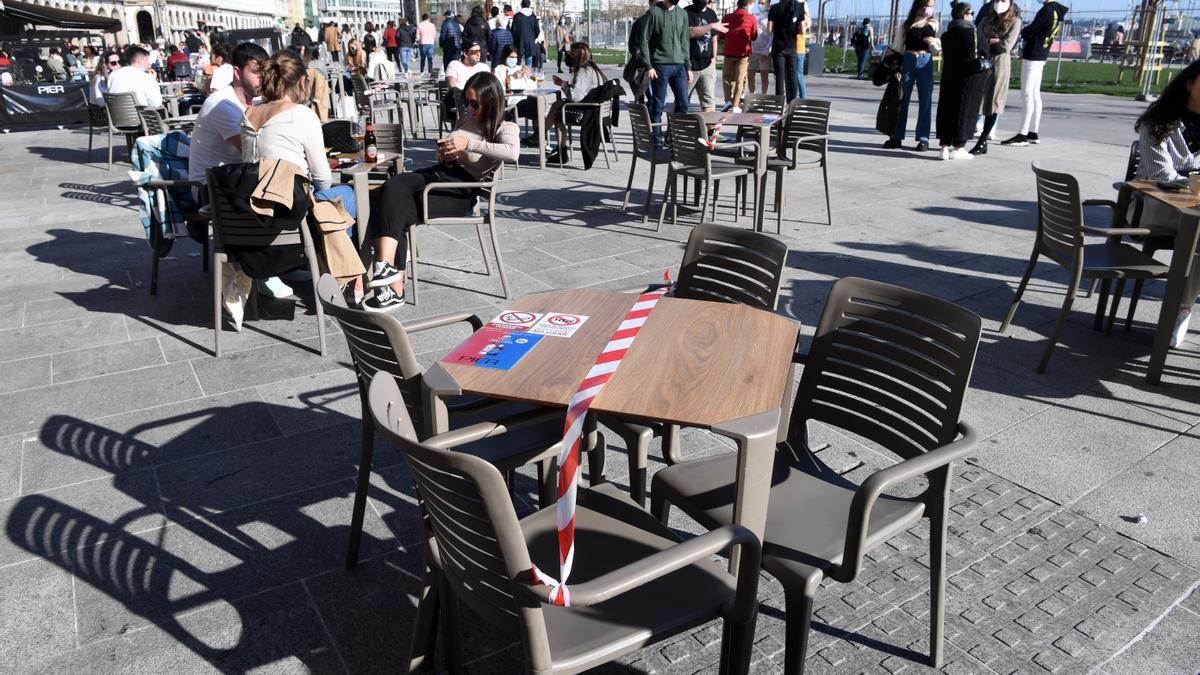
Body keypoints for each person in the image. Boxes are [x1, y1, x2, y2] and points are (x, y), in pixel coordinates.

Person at [365, 71, 518, 311]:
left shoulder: (504, 126)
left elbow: (512, 152)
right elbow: (458, 153)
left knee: (396, 205)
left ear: (491, 101)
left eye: (475, 103)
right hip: (441, 173)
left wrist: (468, 144)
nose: (469, 108)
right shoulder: (466, 120)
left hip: (461, 191)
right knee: (392, 188)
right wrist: (446, 154)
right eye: (466, 102)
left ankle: (392, 284)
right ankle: (388, 273)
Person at [240, 49, 359, 300]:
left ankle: (329, 270)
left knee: (325, 198)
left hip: (253, 209)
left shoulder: (249, 114)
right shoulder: (301, 115)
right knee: (346, 195)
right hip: (289, 210)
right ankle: (345, 276)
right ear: (303, 81)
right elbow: (322, 176)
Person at [1134, 60, 1200, 346]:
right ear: (1189, 83)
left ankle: (1182, 305)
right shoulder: (1157, 123)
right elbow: (1162, 174)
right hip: (1158, 208)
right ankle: (1182, 308)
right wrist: (1194, 180)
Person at [189, 42, 269, 189]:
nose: (263, 78)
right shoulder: (222, 105)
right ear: (237, 73)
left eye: (265, 72)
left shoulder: (254, 102)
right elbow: (254, 152)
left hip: (235, 179)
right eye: (257, 72)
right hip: (210, 190)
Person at [1001, 0, 1067, 146]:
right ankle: (1033, 132)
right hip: (1042, 54)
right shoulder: (1055, 11)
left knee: (1027, 94)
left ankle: (1022, 134)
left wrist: (1024, 32)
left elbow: (1032, 30)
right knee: (1035, 94)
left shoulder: (1047, 11)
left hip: (1034, 54)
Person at [884, 0, 938, 151]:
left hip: (925, 60)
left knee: (925, 100)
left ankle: (923, 138)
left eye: (931, 6)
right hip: (908, 59)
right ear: (919, 6)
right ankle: (897, 136)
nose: (929, 9)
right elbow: (898, 47)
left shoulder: (934, 24)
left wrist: (934, 42)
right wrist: (895, 67)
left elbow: (940, 45)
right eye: (927, 5)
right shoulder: (906, 25)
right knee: (902, 99)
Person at [969, 0, 1020, 154]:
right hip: (984, 60)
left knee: (994, 101)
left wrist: (992, 40)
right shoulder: (986, 19)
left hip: (999, 62)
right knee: (978, 98)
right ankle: (971, 132)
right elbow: (978, 37)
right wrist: (993, 40)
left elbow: (1006, 45)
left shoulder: (1015, 22)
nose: (999, 3)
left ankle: (983, 140)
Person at [936, 2, 986, 160]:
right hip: (969, 78)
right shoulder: (975, 34)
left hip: (950, 76)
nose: (972, 16)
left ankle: (944, 146)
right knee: (966, 110)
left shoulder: (946, 35)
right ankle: (958, 147)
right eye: (971, 13)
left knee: (947, 109)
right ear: (965, 14)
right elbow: (985, 52)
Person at [543, 41, 606, 163]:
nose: (568, 56)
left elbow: (575, 97)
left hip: (588, 113)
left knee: (557, 108)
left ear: (577, 57)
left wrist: (563, 85)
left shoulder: (584, 71)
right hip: (594, 111)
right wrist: (565, 85)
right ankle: (559, 148)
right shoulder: (592, 68)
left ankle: (541, 134)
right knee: (558, 107)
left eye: (571, 54)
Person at [641, 0, 692, 143]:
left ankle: (672, 137)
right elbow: (644, 40)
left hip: (679, 66)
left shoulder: (682, 14)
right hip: (660, 66)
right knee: (658, 106)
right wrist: (648, 66)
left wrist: (688, 66)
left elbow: (684, 41)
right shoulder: (654, 12)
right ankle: (656, 142)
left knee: (683, 103)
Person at [685, 0, 726, 112]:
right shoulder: (686, 12)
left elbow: (714, 38)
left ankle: (710, 129)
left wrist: (714, 57)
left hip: (707, 64)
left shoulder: (711, 14)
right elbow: (689, 33)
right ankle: (673, 128)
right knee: (682, 101)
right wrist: (710, 26)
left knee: (708, 103)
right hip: (689, 65)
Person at [720, 0, 757, 112]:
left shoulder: (727, 17)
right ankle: (735, 105)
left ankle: (727, 101)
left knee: (726, 78)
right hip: (743, 53)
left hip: (729, 52)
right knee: (739, 80)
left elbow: (721, 35)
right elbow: (754, 37)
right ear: (747, 5)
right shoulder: (751, 18)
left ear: (737, 4)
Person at [768, 0, 806, 102]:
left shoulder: (774, 8)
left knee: (780, 76)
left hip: (778, 46)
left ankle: (779, 103)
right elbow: (803, 30)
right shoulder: (799, 7)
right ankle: (792, 102)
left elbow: (769, 30)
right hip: (792, 46)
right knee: (792, 74)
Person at [747, 0, 772, 97]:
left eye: (763, 3)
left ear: (768, 3)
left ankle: (763, 96)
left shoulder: (771, 16)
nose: (761, 5)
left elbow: (772, 36)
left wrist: (766, 51)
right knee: (750, 74)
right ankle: (752, 94)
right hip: (753, 50)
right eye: (759, 3)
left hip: (764, 51)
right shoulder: (755, 15)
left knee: (764, 76)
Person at [511, 0, 541, 68]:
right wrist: (533, 37)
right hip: (530, 42)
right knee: (529, 62)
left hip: (519, 42)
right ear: (529, 5)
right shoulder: (533, 17)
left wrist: (515, 40)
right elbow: (537, 30)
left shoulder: (517, 16)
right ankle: (528, 75)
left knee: (518, 62)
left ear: (521, 5)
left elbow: (513, 30)